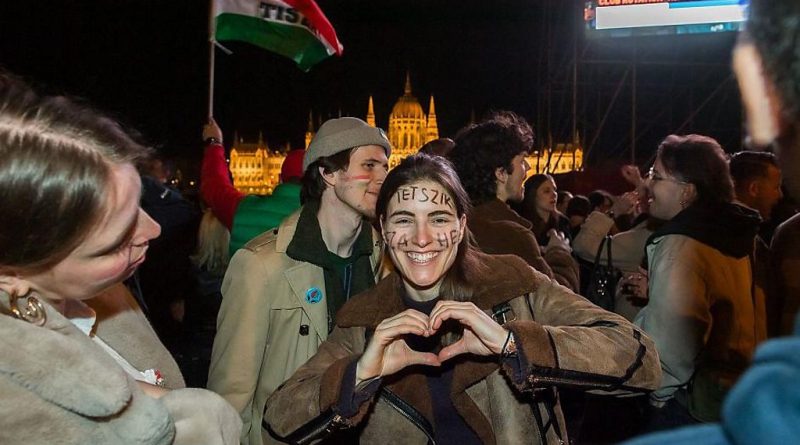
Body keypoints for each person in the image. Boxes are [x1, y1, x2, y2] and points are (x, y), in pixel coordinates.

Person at [264, 153, 661, 445]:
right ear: (383, 229)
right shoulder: (364, 319)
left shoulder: (513, 284)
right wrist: (359, 374)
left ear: (461, 226)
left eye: (438, 219)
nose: (422, 238)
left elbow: (640, 358)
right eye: (404, 219)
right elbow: (278, 420)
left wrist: (515, 344)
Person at [0, 75, 240, 444]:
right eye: (115, 243)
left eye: (140, 204)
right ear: (12, 275)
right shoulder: (19, 409)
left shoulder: (102, 291)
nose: (155, 230)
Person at [207, 117, 391, 445]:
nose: (383, 177)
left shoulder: (379, 256)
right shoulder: (260, 266)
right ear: (328, 172)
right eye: (369, 165)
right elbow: (231, 398)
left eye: (385, 167)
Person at [634, 134, 765, 427]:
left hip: (686, 405)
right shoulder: (739, 233)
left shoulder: (679, 243)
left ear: (687, 191)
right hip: (735, 392)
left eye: (656, 175)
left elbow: (671, 347)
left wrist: (658, 398)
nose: (646, 183)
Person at [449, 111, 579, 291]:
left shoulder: (457, 223)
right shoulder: (511, 235)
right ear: (501, 173)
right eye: (522, 161)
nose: (528, 167)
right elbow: (561, 300)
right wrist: (559, 253)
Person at [200, 117, 304, 256]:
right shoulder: (325, 218)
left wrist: (214, 142)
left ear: (280, 178)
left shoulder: (244, 210)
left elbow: (214, 185)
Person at [513, 174, 572, 246]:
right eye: (547, 191)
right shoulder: (523, 224)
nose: (554, 194)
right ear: (533, 195)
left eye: (554, 190)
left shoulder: (562, 222)